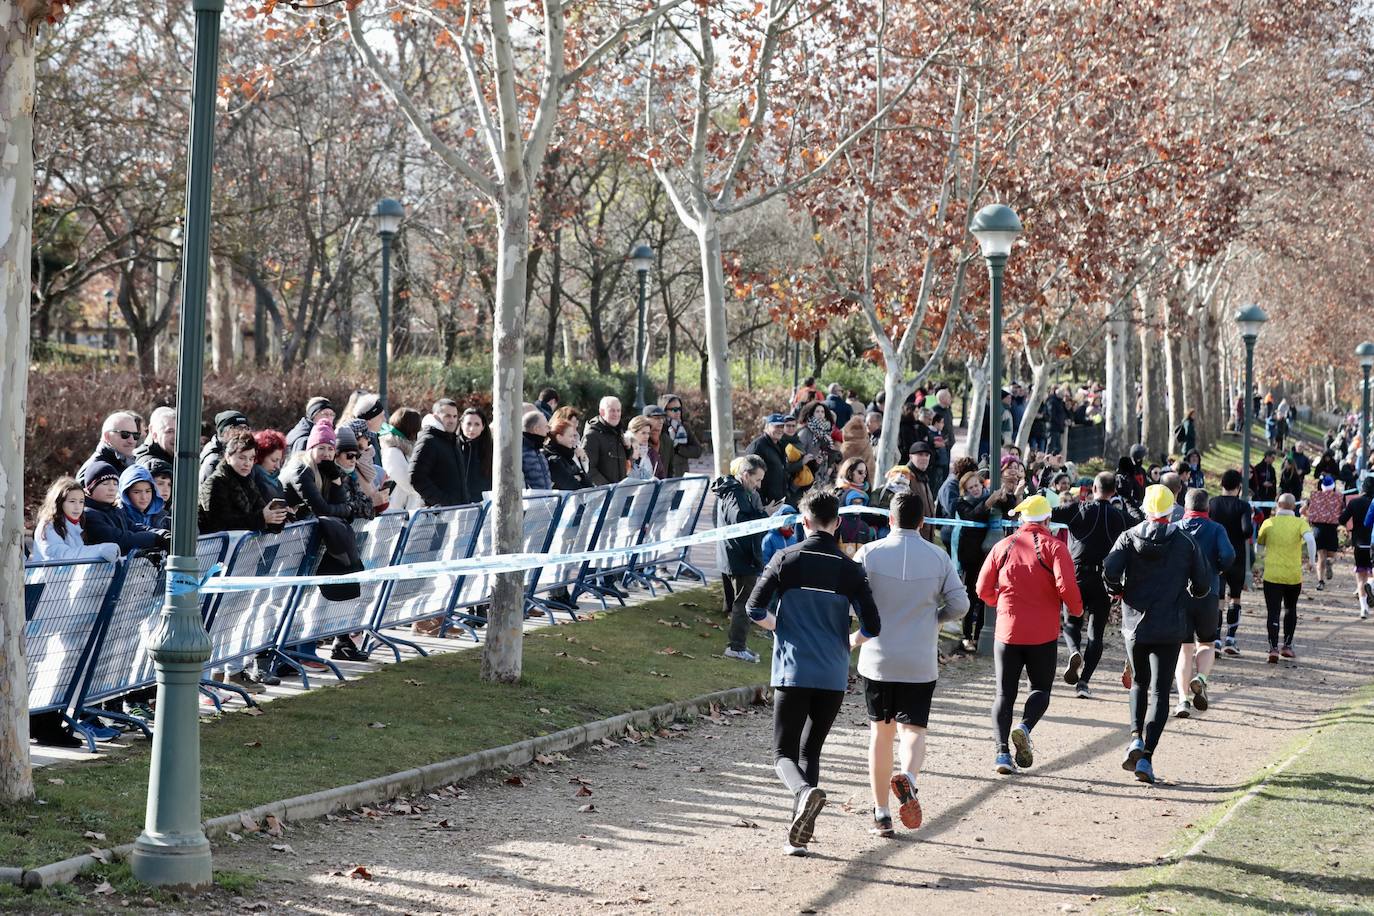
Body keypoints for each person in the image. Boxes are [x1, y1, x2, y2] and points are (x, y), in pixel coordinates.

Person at [746, 489, 882, 856]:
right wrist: (850, 642)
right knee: (811, 750)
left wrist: (780, 627)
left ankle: (803, 794)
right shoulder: (850, 569)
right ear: (837, 523)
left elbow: (754, 608)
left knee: (782, 754)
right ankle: (800, 834)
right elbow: (873, 626)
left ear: (803, 522)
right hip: (833, 673)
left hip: (793, 669)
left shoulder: (785, 558)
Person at [854, 492, 967, 836]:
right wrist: (934, 618)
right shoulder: (937, 556)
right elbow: (960, 605)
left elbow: (850, 601)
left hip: (878, 658)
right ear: (922, 522)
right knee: (914, 730)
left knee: (881, 733)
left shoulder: (869, 553)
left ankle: (881, 812)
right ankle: (910, 779)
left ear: (889, 519)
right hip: (919, 658)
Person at [1104, 484, 1210, 784]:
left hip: (1134, 624)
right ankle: (1147, 758)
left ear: (1147, 508)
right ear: (1172, 508)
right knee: (1161, 692)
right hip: (1171, 624)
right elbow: (1202, 584)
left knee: (1139, 683)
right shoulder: (1186, 542)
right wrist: (1191, 590)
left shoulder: (1128, 537)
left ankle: (1135, 737)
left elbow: (1109, 569)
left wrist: (1117, 590)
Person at [976, 493, 1082, 775]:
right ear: (1048, 519)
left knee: (1003, 694)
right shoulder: (1056, 547)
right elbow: (1067, 587)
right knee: (1040, 690)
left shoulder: (1003, 545)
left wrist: (997, 600)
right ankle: (1024, 727)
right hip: (1043, 633)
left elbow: (982, 587)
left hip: (1007, 631)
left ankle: (1001, 754)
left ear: (1022, 519)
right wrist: (1076, 610)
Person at [1050, 471, 1137, 698]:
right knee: (1096, 632)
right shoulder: (1119, 517)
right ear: (1113, 492)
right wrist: (1129, 501)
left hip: (1077, 575)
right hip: (1105, 578)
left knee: (1071, 621)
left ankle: (1073, 651)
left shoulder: (1079, 509)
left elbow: (1048, 512)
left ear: (1093, 489)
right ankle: (1084, 682)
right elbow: (1140, 522)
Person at [1174, 488, 1235, 719]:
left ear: (1185, 506)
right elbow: (1229, 555)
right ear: (1207, 508)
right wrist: (1216, 570)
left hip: (1181, 595)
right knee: (1207, 642)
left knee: (1184, 648)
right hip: (1208, 593)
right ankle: (1201, 678)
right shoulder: (1217, 529)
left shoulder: (1176, 528)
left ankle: (1182, 699)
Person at [714, 454, 770, 664]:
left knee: (740, 603)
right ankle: (736, 647)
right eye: (757, 479)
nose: (759, 485)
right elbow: (741, 523)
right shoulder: (734, 494)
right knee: (743, 604)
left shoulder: (735, 491)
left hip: (736, 556)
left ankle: (738, 645)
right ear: (745, 475)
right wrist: (766, 515)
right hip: (740, 557)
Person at [1257, 493, 1316, 663]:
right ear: (1294, 507)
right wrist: (1311, 561)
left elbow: (1258, 546)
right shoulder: (1300, 523)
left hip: (1272, 575)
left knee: (1273, 611)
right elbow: (1311, 540)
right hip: (1293, 575)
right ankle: (1287, 645)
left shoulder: (1268, 523)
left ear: (1277, 505)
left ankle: (1273, 648)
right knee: (1291, 609)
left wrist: (1260, 559)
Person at [198, 428, 289, 534]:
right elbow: (220, 524)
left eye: (251, 459)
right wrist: (261, 518)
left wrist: (276, 518)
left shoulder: (249, 481)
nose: (247, 463)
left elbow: (260, 509)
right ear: (228, 457)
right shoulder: (215, 483)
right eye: (242, 458)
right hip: (214, 547)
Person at [1208, 470, 1254, 655]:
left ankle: (1216, 639)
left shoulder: (1212, 503)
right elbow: (1247, 530)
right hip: (1237, 556)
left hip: (1216, 556)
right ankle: (1230, 639)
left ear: (1222, 485)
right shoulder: (1243, 506)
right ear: (1239, 487)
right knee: (1235, 597)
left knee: (1218, 599)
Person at [81, 461, 168, 555]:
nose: (112, 488)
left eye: (115, 484)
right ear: (90, 488)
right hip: (98, 569)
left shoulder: (115, 511)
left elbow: (134, 527)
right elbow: (120, 540)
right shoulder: (88, 514)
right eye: (105, 484)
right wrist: (155, 539)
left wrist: (161, 534)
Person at [32, 477, 119, 563]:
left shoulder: (76, 524)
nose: (77, 507)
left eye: (81, 502)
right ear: (59, 502)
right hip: (48, 577)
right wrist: (99, 550)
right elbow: (61, 556)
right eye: (72, 501)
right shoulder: (48, 526)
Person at [410, 399, 466, 507]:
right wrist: (443, 502)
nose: (452, 420)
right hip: (437, 516)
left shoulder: (451, 441)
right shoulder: (428, 440)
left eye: (455, 416)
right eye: (447, 416)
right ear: (435, 417)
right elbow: (416, 477)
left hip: (456, 512)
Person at [746, 414, 802, 506]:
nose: (780, 429)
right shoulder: (758, 446)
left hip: (780, 499)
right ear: (767, 427)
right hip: (765, 503)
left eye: (782, 426)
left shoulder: (780, 445)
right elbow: (749, 476)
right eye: (776, 426)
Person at [1302, 475, 1344, 591]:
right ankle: (1330, 562)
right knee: (1333, 555)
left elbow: (1302, 511)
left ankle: (1320, 581)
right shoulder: (1338, 497)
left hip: (1317, 529)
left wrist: (1310, 516)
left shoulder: (1314, 497)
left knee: (1321, 556)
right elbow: (1343, 513)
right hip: (1331, 529)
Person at [380, 408, 424, 512]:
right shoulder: (393, 451)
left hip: (403, 513)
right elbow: (409, 484)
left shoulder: (405, 450)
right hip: (393, 515)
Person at [77, 411, 141, 481]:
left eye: (135, 435)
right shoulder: (94, 470)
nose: (131, 441)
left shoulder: (133, 464)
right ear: (107, 436)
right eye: (125, 434)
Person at [584, 396, 629, 487]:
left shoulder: (618, 432)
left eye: (618, 410)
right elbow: (588, 468)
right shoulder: (592, 435)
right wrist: (608, 489)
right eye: (612, 410)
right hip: (603, 494)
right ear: (602, 412)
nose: (616, 414)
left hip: (620, 491)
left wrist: (628, 449)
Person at [1346, 477, 1374, 619]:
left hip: (1359, 542)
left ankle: (1363, 608)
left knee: (1361, 575)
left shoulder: (1354, 502)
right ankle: (1371, 585)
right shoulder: (1372, 502)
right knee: (1371, 573)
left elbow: (1342, 519)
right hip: (1372, 542)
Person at [200, 410, 251, 483]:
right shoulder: (213, 461)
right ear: (223, 432)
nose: (243, 432)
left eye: (246, 428)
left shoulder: (240, 453)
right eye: (238, 428)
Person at [659, 394, 703, 478]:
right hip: (665, 476)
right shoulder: (660, 428)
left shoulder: (684, 427)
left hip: (682, 473)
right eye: (673, 410)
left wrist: (678, 448)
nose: (678, 412)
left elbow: (697, 451)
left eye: (679, 409)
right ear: (664, 411)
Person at [117, 464, 168, 532]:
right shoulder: (117, 515)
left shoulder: (163, 516)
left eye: (148, 491)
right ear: (126, 494)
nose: (144, 497)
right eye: (137, 492)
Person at [458, 408, 494, 503]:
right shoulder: (452, 446)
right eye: (468, 424)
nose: (472, 429)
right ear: (461, 425)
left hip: (483, 503)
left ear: (483, 427)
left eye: (477, 424)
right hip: (455, 504)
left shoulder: (492, 448)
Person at [545, 417, 591, 490]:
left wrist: (580, 477)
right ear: (559, 437)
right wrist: (578, 478)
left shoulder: (568, 455)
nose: (573, 440)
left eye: (574, 436)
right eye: (570, 436)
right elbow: (573, 486)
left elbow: (588, 484)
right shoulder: (553, 460)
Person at [251, 429, 289, 508]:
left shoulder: (277, 482)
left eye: (279, 461)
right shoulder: (251, 480)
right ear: (260, 457)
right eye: (274, 460)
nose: (277, 466)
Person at [134, 406, 176, 476]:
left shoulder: (179, 457)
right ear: (155, 435)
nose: (176, 437)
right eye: (170, 431)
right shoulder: (150, 465)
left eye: (180, 432)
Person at [521, 411, 553, 490]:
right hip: (531, 501)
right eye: (546, 427)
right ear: (536, 429)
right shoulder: (521, 452)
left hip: (546, 500)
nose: (548, 431)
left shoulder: (538, 450)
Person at [641, 405, 669, 478]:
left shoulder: (667, 441)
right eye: (656, 418)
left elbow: (670, 469)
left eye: (662, 418)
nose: (661, 421)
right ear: (645, 419)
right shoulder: (639, 440)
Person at [625, 415, 656, 481]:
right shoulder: (624, 453)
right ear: (633, 432)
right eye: (643, 433)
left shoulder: (651, 452)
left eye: (648, 433)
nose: (647, 436)